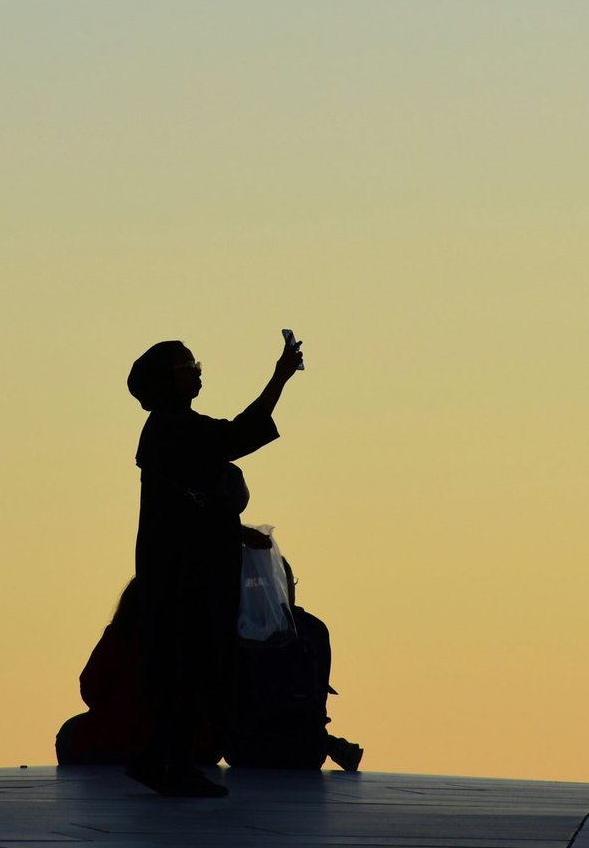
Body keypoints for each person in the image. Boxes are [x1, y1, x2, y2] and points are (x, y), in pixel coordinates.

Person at [124, 335, 303, 797]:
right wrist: (279, 378)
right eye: (190, 365)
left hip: (174, 567)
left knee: (176, 661)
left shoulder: (167, 427)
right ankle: (176, 765)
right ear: (169, 380)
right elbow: (239, 434)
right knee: (195, 661)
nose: (199, 370)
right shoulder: (177, 428)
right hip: (190, 572)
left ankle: (156, 757)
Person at [54, 579, 220, 767]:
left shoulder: (119, 635)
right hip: (187, 742)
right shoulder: (194, 640)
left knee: (68, 731)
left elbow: (90, 686)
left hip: (115, 736)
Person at [224, 558, 364, 772]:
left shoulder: (236, 628)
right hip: (305, 751)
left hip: (246, 749)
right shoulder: (313, 629)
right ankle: (329, 743)